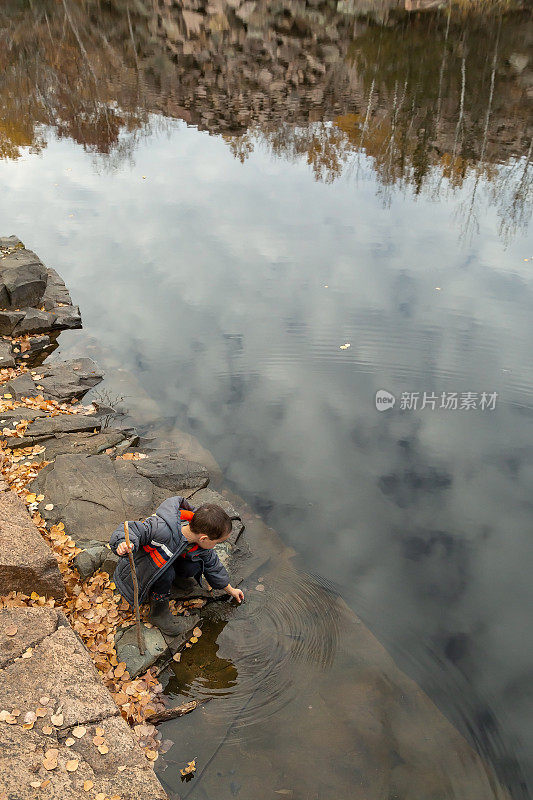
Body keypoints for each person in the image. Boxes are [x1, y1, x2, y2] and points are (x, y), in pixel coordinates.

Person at [109, 495, 244, 636]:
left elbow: (213, 566)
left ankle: (172, 581)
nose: (215, 546)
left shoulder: (200, 544)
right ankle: (158, 612)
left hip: (164, 562)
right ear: (204, 538)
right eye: (216, 542)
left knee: (195, 565)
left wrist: (230, 589)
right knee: (166, 573)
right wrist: (123, 544)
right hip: (141, 569)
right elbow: (132, 530)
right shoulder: (160, 528)